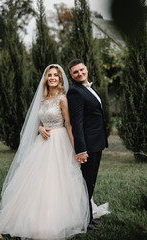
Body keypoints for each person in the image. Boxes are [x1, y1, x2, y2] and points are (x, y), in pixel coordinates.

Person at [0, 64, 90, 240]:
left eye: (55, 75)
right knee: (34, 180)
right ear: (45, 79)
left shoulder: (63, 99)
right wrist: (40, 127)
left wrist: (76, 149)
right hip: (42, 143)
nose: (52, 78)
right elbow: (43, 118)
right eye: (49, 75)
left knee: (57, 180)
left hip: (59, 142)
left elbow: (69, 125)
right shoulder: (43, 100)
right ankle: (21, 217)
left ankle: (55, 219)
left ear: (60, 79)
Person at [67, 59, 108, 230]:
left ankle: (88, 216)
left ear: (87, 69)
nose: (80, 73)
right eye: (75, 72)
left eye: (81, 70)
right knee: (86, 183)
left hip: (96, 142)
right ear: (71, 75)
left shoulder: (88, 89)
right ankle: (84, 220)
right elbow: (77, 122)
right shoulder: (75, 92)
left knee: (90, 182)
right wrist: (81, 149)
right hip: (88, 146)